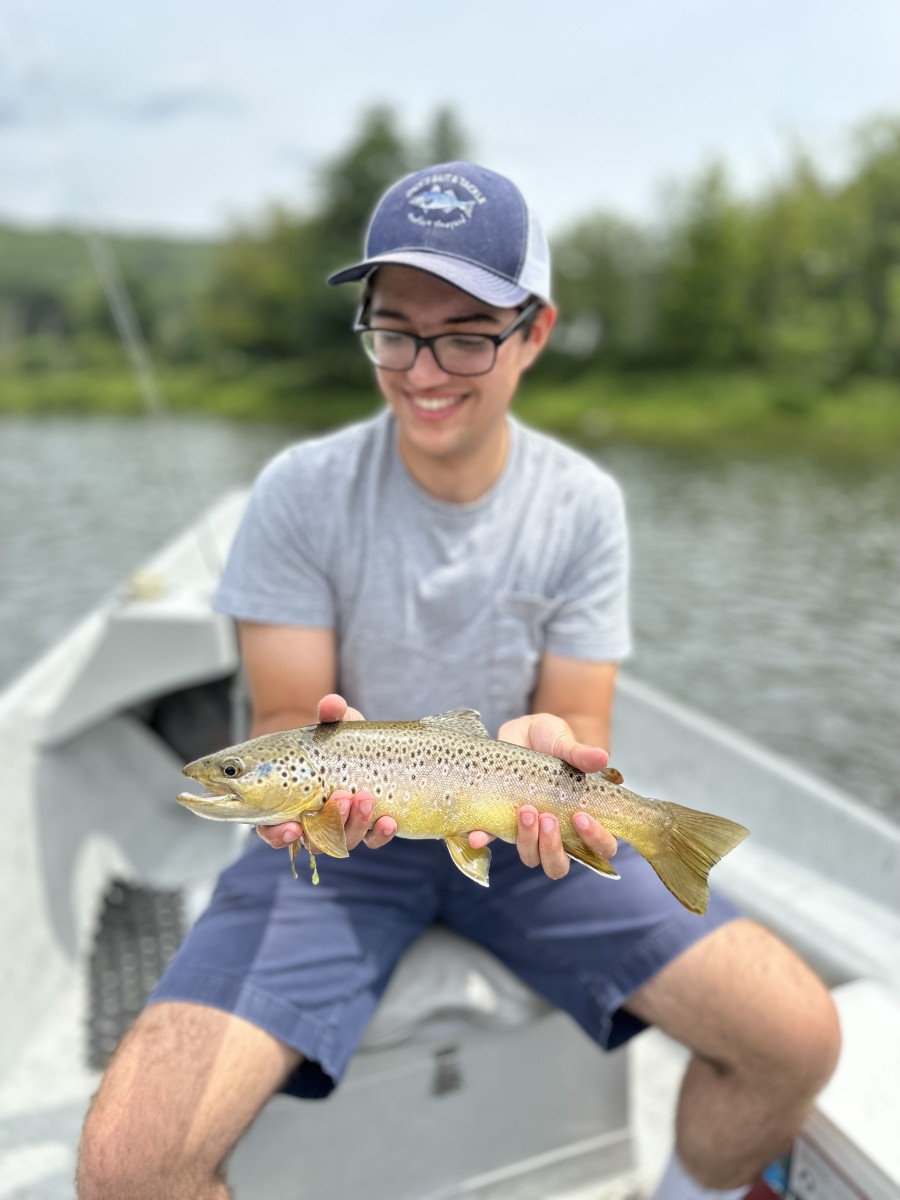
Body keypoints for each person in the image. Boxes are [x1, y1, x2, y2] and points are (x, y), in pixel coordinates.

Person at [77, 161, 840, 1200]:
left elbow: (579, 716)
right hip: (339, 847)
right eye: (397, 331)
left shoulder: (582, 506)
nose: (426, 369)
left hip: (520, 832)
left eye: (468, 333)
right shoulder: (301, 493)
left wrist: (552, 746)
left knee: (795, 1036)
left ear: (534, 331)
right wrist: (309, 793)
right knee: (128, 1171)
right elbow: (292, 716)